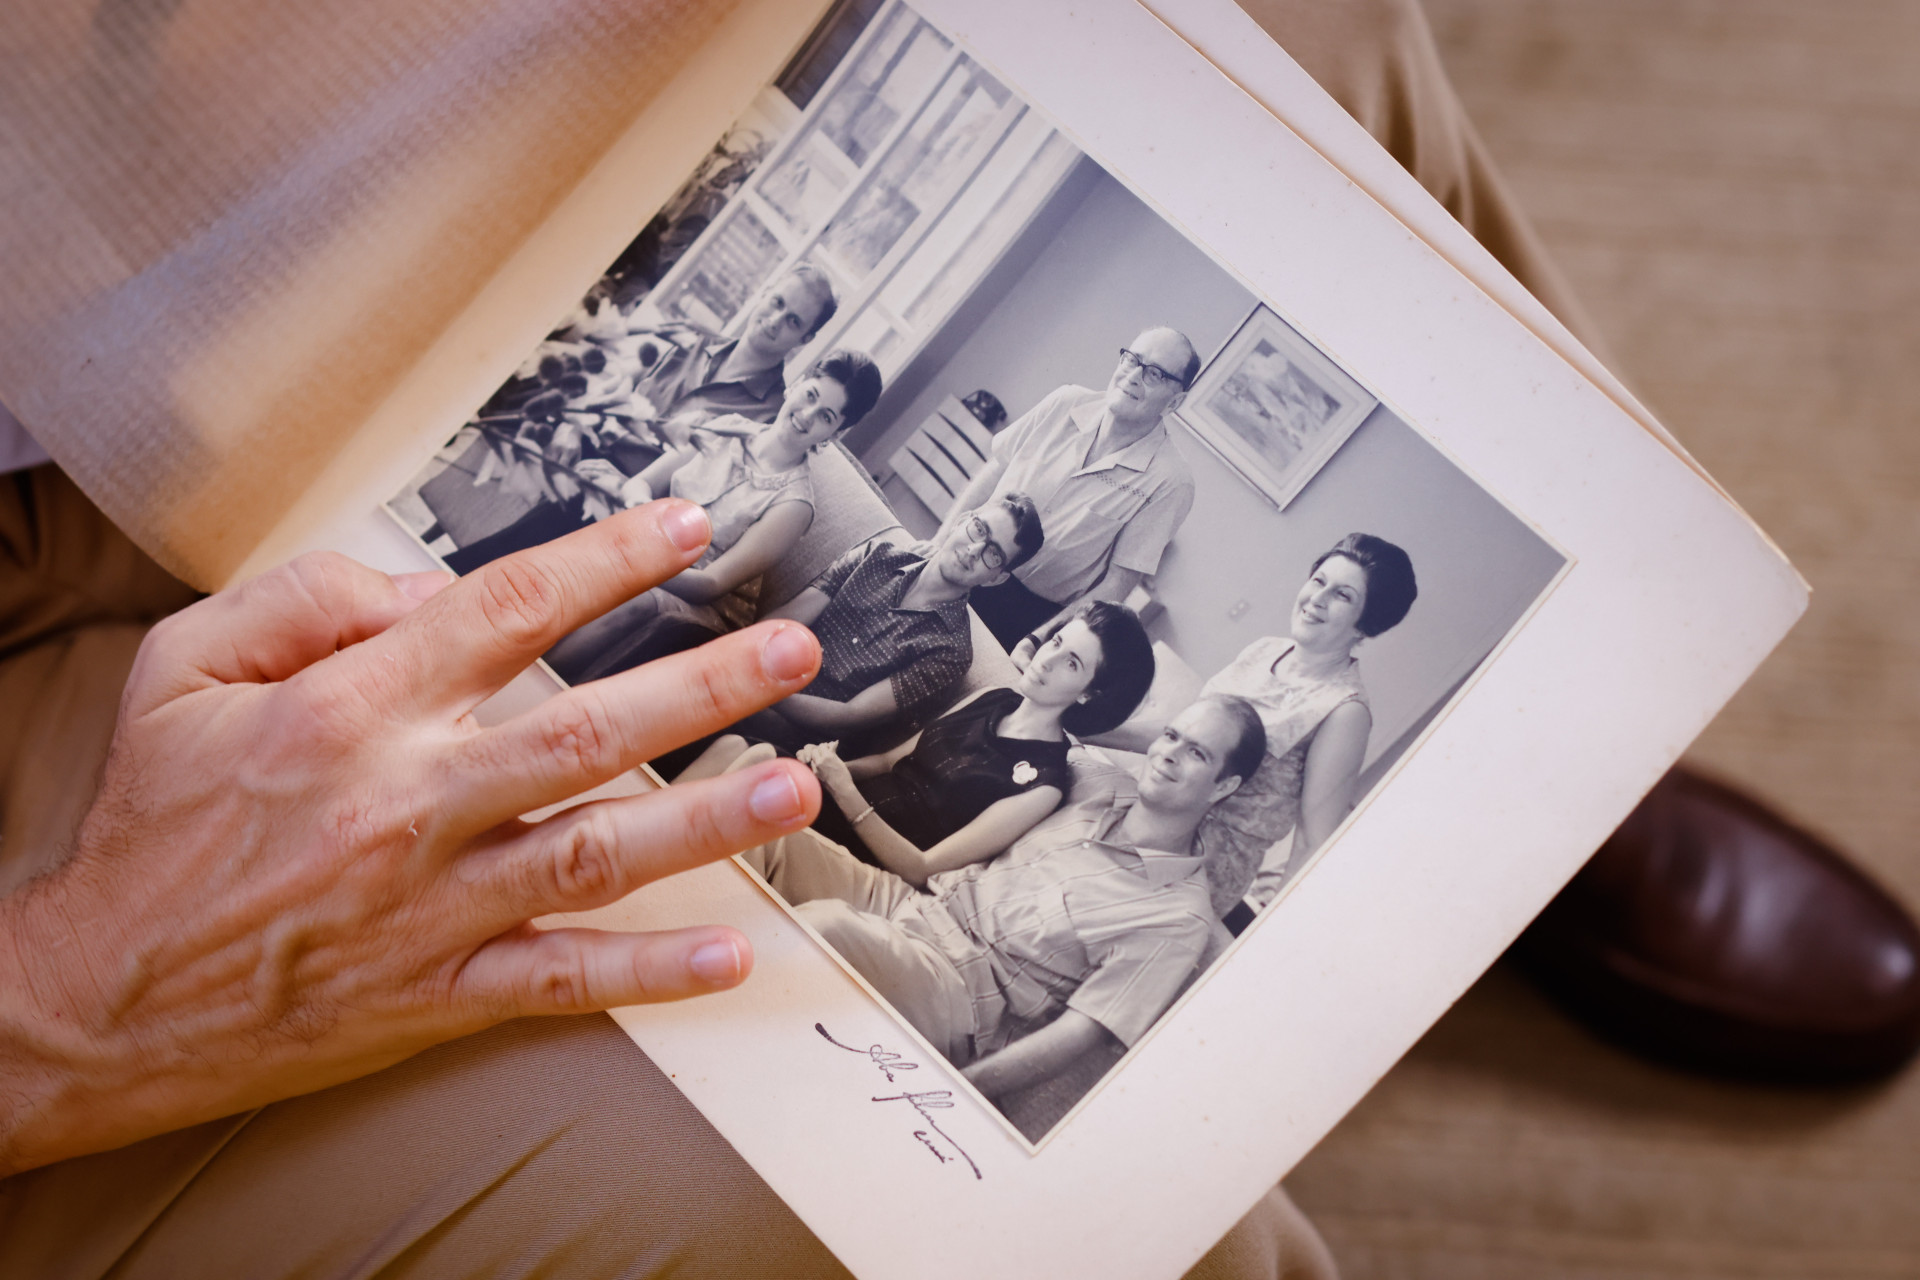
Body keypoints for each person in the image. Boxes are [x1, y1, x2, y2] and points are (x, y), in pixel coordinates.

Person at [741, 696, 1267, 1100]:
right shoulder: (1103, 787)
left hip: (956, 989)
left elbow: (1079, 1033)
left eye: (1197, 753)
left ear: (1224, 787)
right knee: (757, 812)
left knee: (824, 930)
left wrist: (954, 1093)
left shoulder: (1178, 917)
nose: (1170, 755)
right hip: (913, 904)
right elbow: (1067, 712)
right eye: (1172, 735)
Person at [701, 599, 1156, 882]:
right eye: (1057, 641)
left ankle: (657, 869)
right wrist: (820, 766)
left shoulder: (1045, 783)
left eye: (1072, 663)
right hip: (844, 801)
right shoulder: (994, 697)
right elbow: (886, 763)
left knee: (758, 765)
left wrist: (842, 789)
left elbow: (924, 868)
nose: (1049, 659)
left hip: (870, 857)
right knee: (739, 748)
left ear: (1091, 693)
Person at [438, 264, 841, 567]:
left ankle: (451, 576)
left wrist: (625, 485)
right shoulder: (690, 340)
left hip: (631, 498)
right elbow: (615, 388)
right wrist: (572, 428)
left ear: (804, 339)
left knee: (577, 499)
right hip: (590, 444)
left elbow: (698, 495)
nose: (773, 321)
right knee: (536, 406)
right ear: (766, 291)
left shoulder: (768, 418)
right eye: (777, 303)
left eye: (792, 321)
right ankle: (442, 557)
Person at [538, 348, 882, 683]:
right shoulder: (725, 427)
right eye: (811, 395)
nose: (807, 415)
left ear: (835, 434)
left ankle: (526, 682)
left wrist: (644, 553)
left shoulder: (794, 505)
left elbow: (710, 585)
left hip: (695, 600)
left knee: (636, 596)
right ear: (797, 383)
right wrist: (634, 514)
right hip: (650, 542)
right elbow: (642, 483)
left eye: (826, 416)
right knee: (579, 517)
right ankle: (508, 640)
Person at [936, 328, 1199, 657]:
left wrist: (1037, 641)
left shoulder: (1171, 480)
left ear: (1175, 401)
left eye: (1155, 374)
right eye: (1132, 359)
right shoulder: (1065, 402)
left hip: (1026, 617)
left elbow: (1117, 584)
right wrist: (938, 544)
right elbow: (997, 469)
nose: (1133, 376)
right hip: (967, 561)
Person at [1198, 534, 1418, 922]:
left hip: (1205, 869)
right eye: (1319, 581)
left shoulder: (1344, 711)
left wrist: (1267, 932)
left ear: (1364, 626)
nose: (1318, 598)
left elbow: (1312, 842)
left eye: (1343, 595)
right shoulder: (1264, 649)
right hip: (1158, 816)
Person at [730, 493, 1046, 755]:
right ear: (964, 520)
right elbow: (784, 619)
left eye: (993, 554)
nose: (974, 551)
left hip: (793, 737)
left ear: (997, 578)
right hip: (759, 677)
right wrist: (743, 666)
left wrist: (763, 691)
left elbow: (846, 717)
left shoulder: (951, 651)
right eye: (979, 530)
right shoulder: (877, 555)